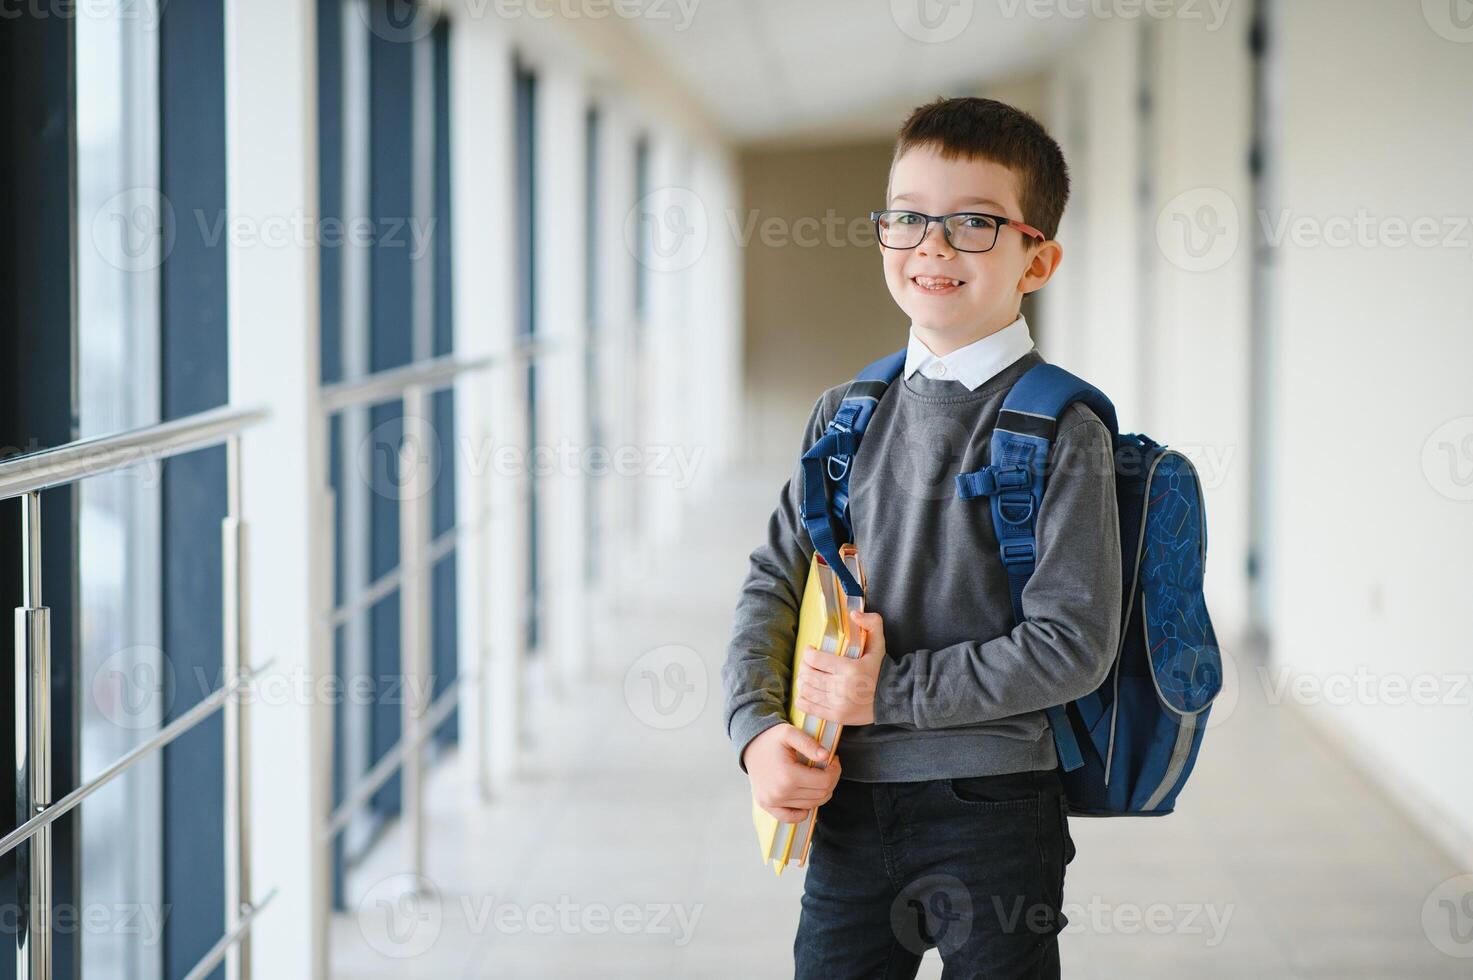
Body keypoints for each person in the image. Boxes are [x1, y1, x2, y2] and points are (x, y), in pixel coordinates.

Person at [721, 95, 1123, 979]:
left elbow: (1072, 645)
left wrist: (884, 694)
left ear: (1037, 259)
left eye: (973, 222)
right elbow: (772, 585)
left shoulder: (1060, 430)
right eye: (907, 218)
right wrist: (755, 733)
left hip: (993, 810)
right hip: (847, 806)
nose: (931, 246)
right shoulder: (845, 415)